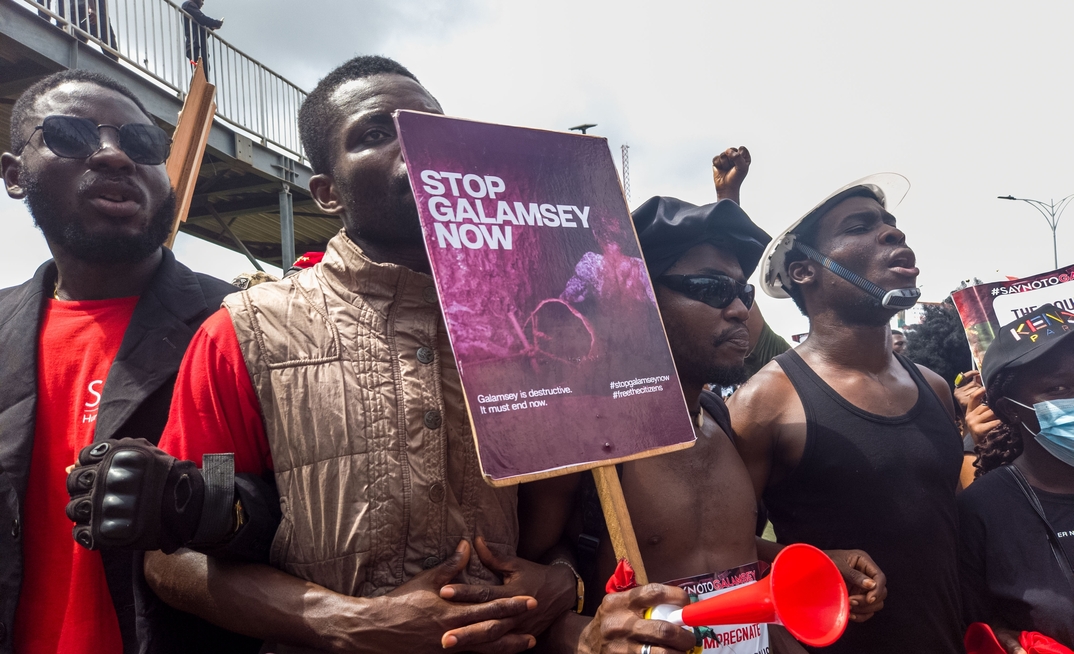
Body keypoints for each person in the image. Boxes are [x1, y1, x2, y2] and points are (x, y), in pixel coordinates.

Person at [69, 55, 577, 652]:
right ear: (327, 193)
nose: (414, 147)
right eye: (375, 133)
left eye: (428, 126)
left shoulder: (531, 320)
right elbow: (170, 558)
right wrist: (350, 623)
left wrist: (561, 583)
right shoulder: (249, 330)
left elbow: (562, 522)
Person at [0, 70, 256, 652]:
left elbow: (301, 504)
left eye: (142, 144)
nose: (115, 156)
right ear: (14, 175)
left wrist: (195, 498)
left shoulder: (245, 322)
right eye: (70, 134)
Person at [728, 174, 964, 653]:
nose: (893, 234)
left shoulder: (934, 387)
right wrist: (814, 563)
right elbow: (721, 551)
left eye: (891, 224)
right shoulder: (766, 402)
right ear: (803, 271)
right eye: (860, 227)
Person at [959, 303, 1074, 649]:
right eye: (1059, 389)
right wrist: (1005, 640)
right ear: (1010, 409)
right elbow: (971, 621)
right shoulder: (981, 510)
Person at [181, 0, 223, 74]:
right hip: (195, 45)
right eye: (202, 0)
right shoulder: (188, 5)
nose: (202, 3)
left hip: (199, 45)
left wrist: (210, 28)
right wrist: (215, 23)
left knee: (203, 71)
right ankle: (197, 85)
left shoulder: (193, 13)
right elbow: (202, 18)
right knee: (199, 71)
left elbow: (202, 26)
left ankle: (199, 85)